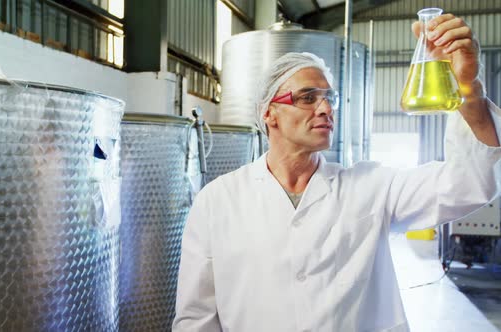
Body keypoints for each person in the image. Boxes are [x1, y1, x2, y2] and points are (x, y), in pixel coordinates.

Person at [172, 13, 501, 332]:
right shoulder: (218, 202)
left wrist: (468, 89)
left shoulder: (370, 187)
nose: (326, 108)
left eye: (330, 98)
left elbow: (468, 182)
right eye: (307, 97)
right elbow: (196, 318)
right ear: (269, 113)